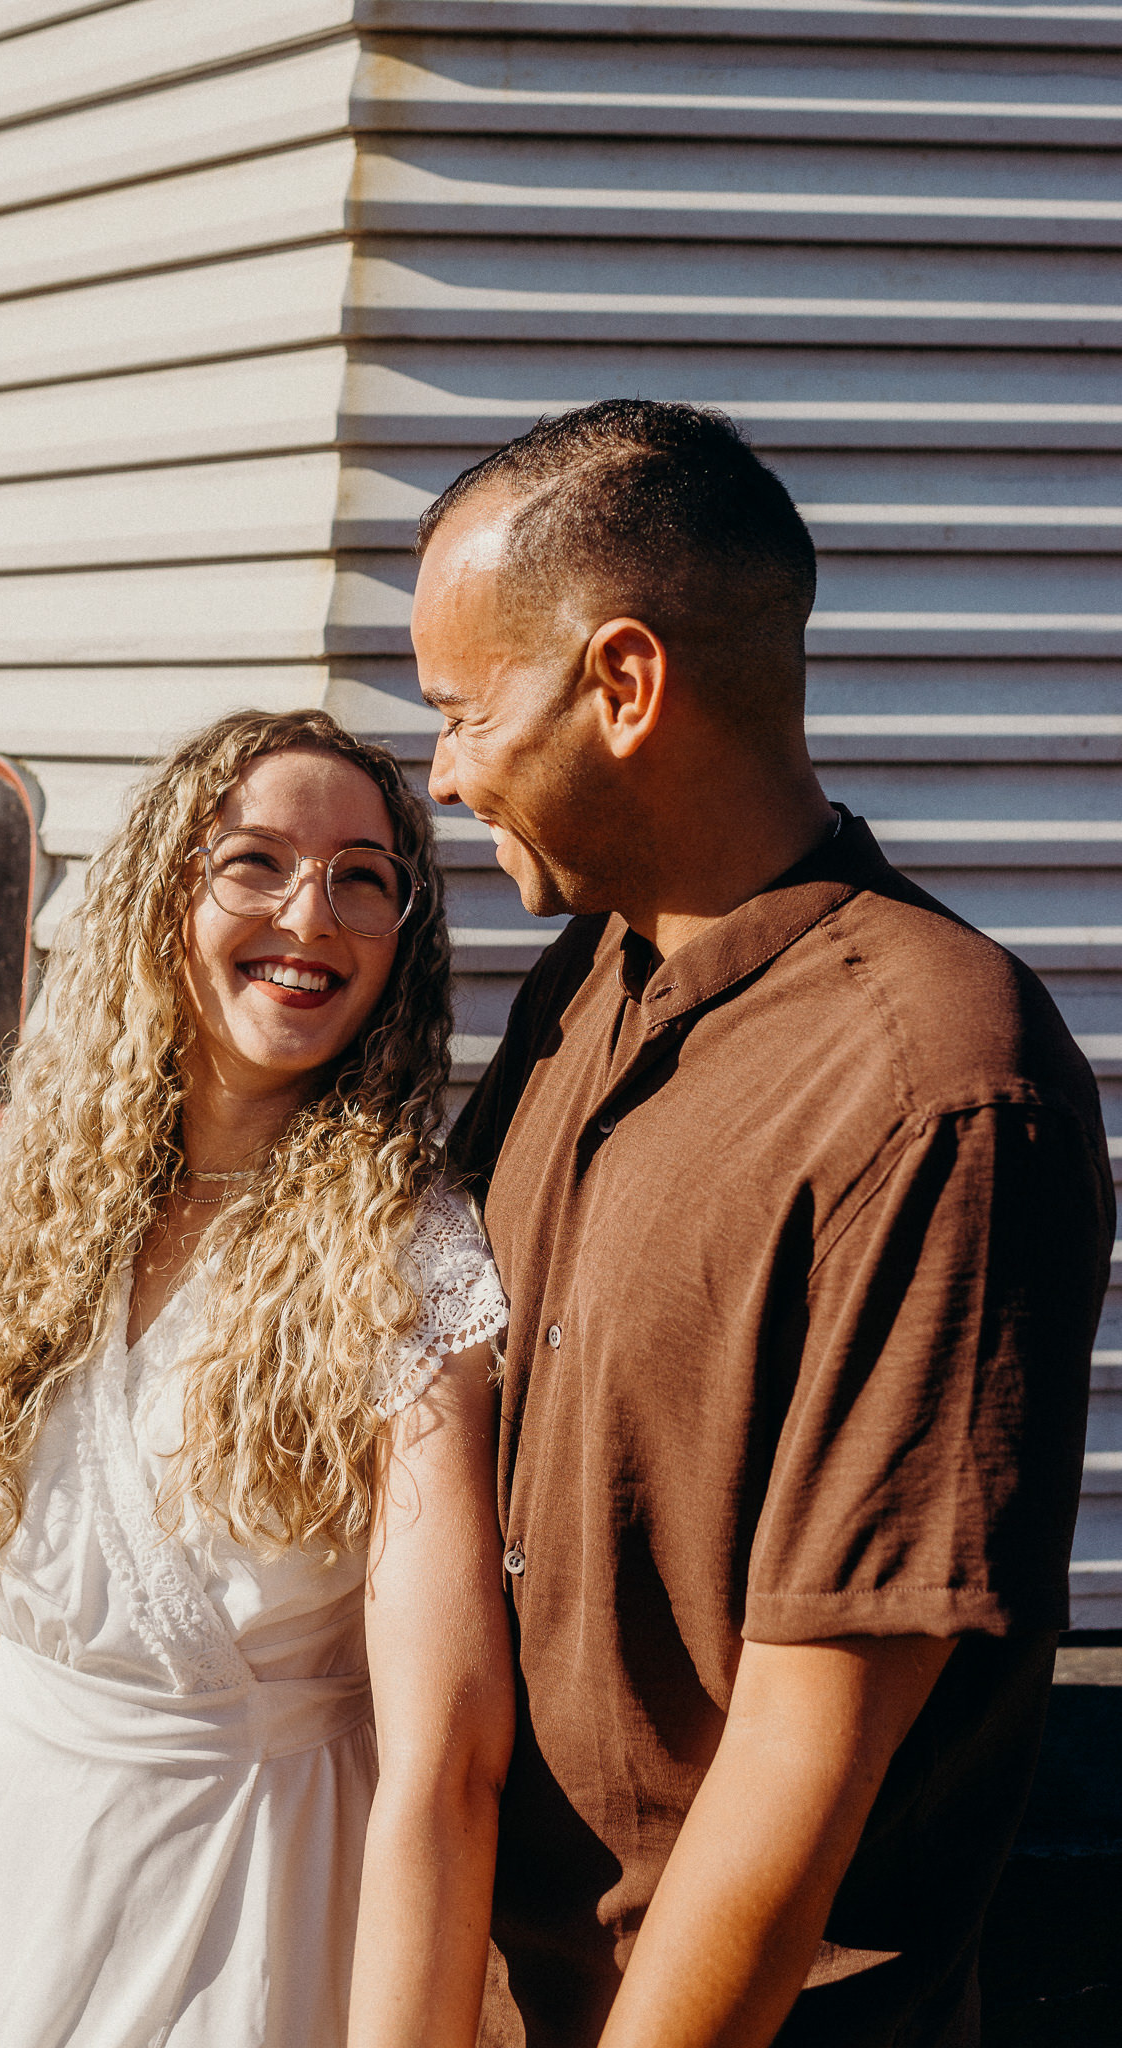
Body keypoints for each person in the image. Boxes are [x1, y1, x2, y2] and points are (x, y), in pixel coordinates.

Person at [410, 401, 1115, 2048]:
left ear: (624, 683)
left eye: (462, 711)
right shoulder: (585, 985)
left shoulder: (939, 1086)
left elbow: (811, 1750)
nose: (441, 773)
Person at [0, 709, 513, 2048]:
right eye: (256, 861)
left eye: (362, 877)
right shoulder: (48, 1214)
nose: (310, 915)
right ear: (164, 896)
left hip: (250, 1918)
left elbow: (446, 1759)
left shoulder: (408, 1260)